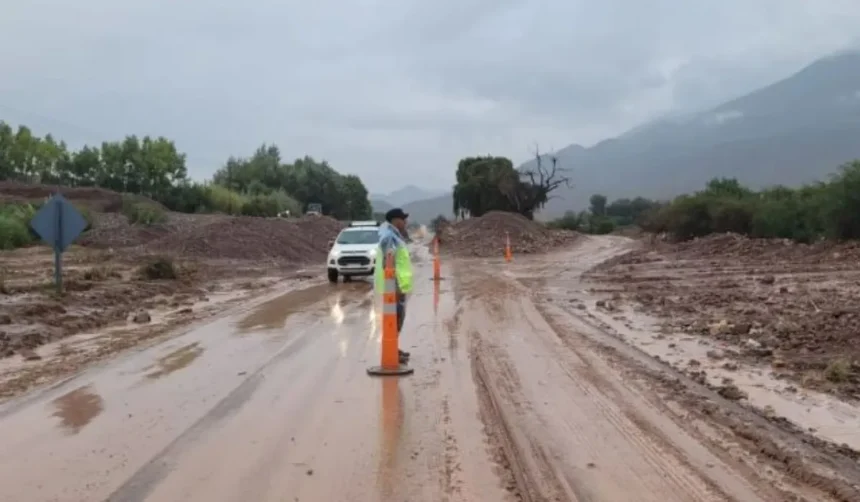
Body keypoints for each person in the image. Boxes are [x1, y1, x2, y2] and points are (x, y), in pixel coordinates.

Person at [375, 208, 414, 364]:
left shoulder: (395, 236)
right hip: (394, 286)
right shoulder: (389, 238)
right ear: (395, 220)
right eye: (403, 219)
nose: (405, 222)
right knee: (394, 319)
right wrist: (393, 287)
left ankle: (394, 349)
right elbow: (388, 263)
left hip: (398, 285)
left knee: (398, 318)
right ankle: (391, 352)